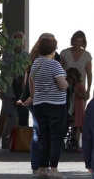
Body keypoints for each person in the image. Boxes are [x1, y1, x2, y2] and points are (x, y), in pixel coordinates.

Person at [18, 33, 60, 177]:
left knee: (39, 132)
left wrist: (30, 95)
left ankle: (37, 166)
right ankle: (43, 166)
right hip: (43, 98)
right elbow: (59, 81)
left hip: (33, 97)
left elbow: (27, 80)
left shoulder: (32, 58)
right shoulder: (52, 59)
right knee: (44, 133)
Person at [29, 37, 68, 178]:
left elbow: (32, 85)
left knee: (43, 136)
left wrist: (34, 96)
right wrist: (67, 83)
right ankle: (54, 168)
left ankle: (41, 167)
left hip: (39, 104)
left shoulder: (36, 64)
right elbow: (62, 85)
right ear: (53, 49)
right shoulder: (54, 65)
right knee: (57, 137)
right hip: (55, 105)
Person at [0, 31, 28, 149]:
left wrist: (24, 84)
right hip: (9, 89)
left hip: (21, 90)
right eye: (15, 40)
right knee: (4, 115)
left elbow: (27, 71)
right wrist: (1, 88)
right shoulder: (7, 55)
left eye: (19, 40)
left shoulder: (26, 55)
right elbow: (4, 72)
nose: (17, 43)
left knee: (21, 116)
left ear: (23, 42)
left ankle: (19, 143)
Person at [60, 30, 92, 101]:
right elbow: (58, 70)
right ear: (72, 41)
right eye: (76, 41)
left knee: (80, 111)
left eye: (80, 42)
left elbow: (89, 74)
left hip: (80, 89)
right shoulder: (64, 53)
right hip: (66, 88)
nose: (77, 44)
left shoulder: (87, 55)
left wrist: (88, 90)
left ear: (83, 43)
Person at [65, 67, 85, 152]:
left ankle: (85, 144)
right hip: (72, 107)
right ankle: (74, 144)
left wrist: (75, 90)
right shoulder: (68, 85)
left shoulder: (79, 85)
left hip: (78, 107)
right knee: (74, 127)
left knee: (80, 126)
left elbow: (83, 96)